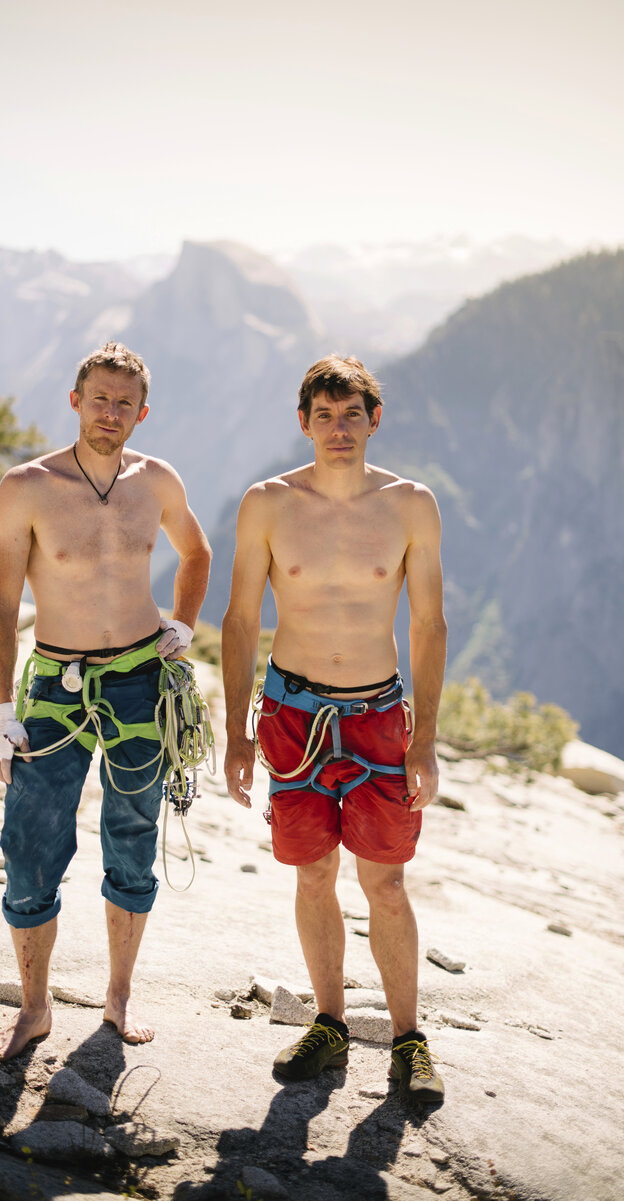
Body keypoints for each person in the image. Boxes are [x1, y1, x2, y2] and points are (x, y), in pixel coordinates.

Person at [222, 354, 447, 1103]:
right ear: (304, 422)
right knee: (313, 870)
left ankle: (410, 1039)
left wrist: (425, 741)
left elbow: (428, 623)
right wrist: (236, 732)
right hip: (292, 715)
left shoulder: (411, 503)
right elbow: (241, 618)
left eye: (352, 413)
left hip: (379, 716)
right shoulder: (269, 502)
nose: (339, 427)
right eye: (325, 414)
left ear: (374, 419)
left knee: (385, 882)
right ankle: (329, 1022)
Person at [0, 341, 211, 1060]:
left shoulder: (157, 480)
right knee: (29, 843)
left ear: (142, 413)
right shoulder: (28, 485)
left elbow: (198, 552)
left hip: (143, 676)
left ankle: (117, 996)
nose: (110, 413)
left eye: (124, 403)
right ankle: (34, 1006)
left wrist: (184, 623)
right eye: (98, 398)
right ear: (75, 400)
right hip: (54, 683)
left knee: (134, 838)